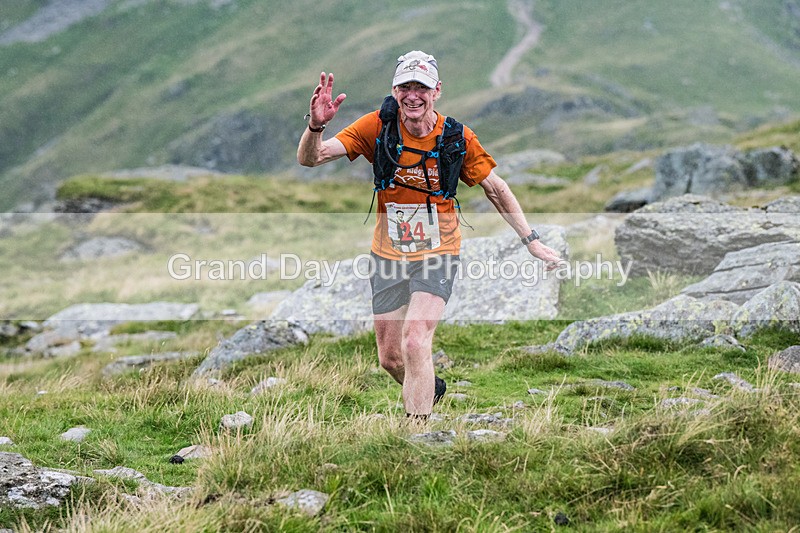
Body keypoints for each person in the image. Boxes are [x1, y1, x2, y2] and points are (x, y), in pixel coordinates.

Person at [297, 51, 562, 420]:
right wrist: (315, 127)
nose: (413, 95)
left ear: (436, 91)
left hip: (439, 250)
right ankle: (429, 387)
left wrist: (530, 240)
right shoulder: (377, 127)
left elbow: (496, 189)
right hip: (388, 253)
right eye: (406, 86)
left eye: (421, 87)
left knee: (415, 339)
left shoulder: (456, 138)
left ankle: (419, 435)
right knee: (391, 358)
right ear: (395, 89)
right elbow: (312, 158)